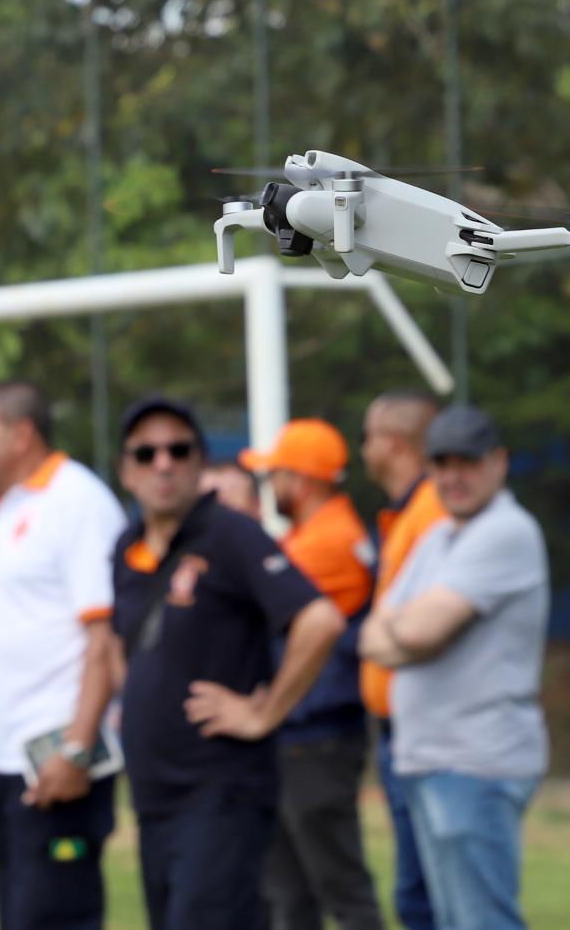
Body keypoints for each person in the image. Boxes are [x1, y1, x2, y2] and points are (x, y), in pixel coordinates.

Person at [109, 396, 344, 930]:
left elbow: (319, 620)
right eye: (146, 453)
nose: (162, 463)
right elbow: (122, 641)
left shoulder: (230, 535)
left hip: (219, 791)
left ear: (199, 464)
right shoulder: (126, 547)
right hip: (153, 795)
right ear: (127, 471)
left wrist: (263, 713)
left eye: (178, 449)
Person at [360, 405, 550, 930]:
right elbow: (375, 633)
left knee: (480, 921)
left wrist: (407, 632)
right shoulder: (440, 536)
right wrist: (407, 632)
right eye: (441, 464)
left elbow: (419, 631)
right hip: (428, 759)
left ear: (498, 463)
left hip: (475, 762)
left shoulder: (505, 531)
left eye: (466, 463)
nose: (452, 477)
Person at [0, 381, 125, 930]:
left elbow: (105, 639)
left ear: (21, 435)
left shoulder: (77, 501)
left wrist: (74, 749)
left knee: (53, 918)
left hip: (54, 766)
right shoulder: (10, 508)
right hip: (6, 762)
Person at [240, 420, 382, 930]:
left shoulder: (329, 541)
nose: (268, 488)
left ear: (301, 480)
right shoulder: (317, 534)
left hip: (317, 736)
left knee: (338, 885)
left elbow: (258, 604)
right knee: (291, 893)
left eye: (273, 475)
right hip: (301, 733)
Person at [357, 389, 445, 930]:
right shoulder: (409, 511)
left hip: (425, 728)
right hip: (399, 728)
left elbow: (417, 627)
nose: (363, 449)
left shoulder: (433, 511)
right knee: (418, 894)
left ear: (391, 444)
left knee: (429, 899)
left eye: (368, 437)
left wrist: (379, 637)